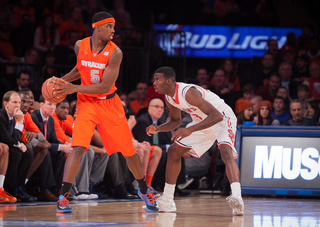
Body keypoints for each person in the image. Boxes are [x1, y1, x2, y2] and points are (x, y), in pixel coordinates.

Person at [53, 11, 159, 213]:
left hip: (109, 104)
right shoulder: (79, 45)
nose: (113, 30)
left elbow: (103, 86)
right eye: (109, 26)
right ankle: (64, 196)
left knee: (129, 152)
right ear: (96, 27)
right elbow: (79, 69)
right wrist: (61, 82)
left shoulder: (115, 53)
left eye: (113, 26)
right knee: (78, 148)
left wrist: (72, 89)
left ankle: (144, 190)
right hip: (86, 104)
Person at [147, 66, 244, 215]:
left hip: (222, 117)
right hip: (201, 121)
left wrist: (190, 129)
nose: (154, 82)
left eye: (157, 79)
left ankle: (237, 196)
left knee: (225, 150)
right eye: (154, 79)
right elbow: (175, 121)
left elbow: (216, 116)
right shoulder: (169, 97)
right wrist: (158, 128)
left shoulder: (188, 92)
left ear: (168, 81)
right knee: (173, 151)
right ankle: (167, 200)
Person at [31, 96, 72, 199]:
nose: (52, 107)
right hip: (34, 150)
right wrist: (61, 146)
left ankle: (57, 189)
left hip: (45, 147)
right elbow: (42, 142)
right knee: (46, 152)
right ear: (41, 105)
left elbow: (53, 140)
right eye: (49, 104)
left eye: (54, 105)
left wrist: (64, 146)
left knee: (61, 153)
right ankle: (44, 190)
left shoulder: (51, 120)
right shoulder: (34, 117)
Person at [0, 91, 37, 202]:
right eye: (14, 102)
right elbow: (10, 140)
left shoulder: (11, 116)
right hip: (3, 147)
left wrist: (19, 144)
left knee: (28, 152)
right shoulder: (1, 116)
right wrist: (20, 121)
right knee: (15, 152)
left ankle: (18, 187)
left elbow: (11, 139)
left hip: (6, 145)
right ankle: (8, 188)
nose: (18, 105)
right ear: (6, 104)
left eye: (19, 102)